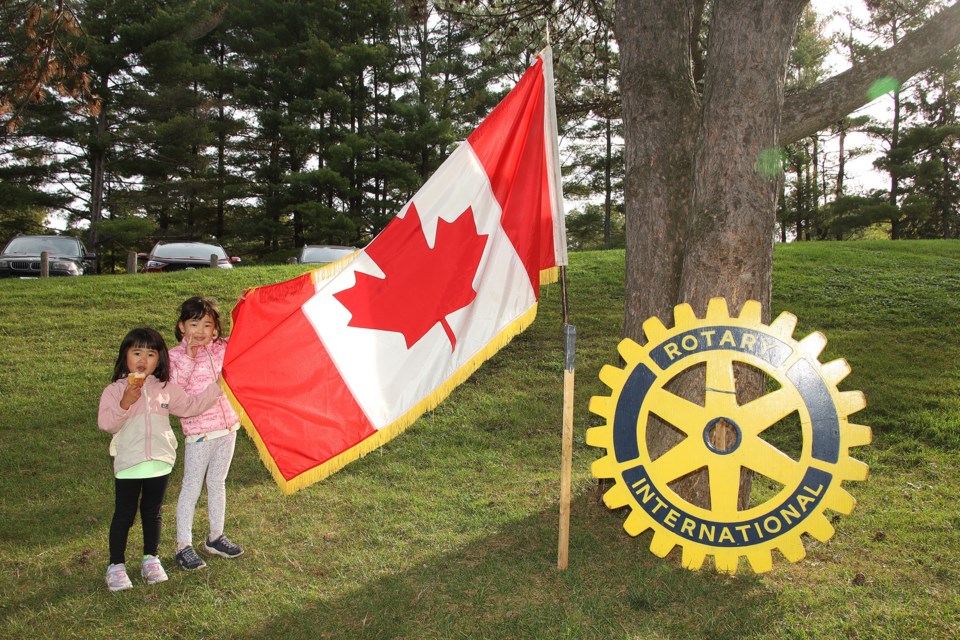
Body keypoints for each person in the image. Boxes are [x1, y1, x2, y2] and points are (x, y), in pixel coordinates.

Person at [98, 327, 224, 592]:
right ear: (125, 356)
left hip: (160, 463)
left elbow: (191, 405)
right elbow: (106, 424)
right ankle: (116, 565)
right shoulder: (114, 390)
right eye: (137, 352)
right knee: (124, 515)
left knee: (152, 513)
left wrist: (218, 387)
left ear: (160, 359)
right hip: (129, 466)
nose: (143, 359)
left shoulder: (165, 389)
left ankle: (150, 558)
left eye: (151, 353)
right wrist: (125, 402)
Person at [169, 296, 244, 571]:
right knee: (191, 486)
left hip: (228, 428)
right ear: (181, 327)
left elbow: (245, 341)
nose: (200, 331)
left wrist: (245, 307)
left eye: (207, 325)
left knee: (217, 482)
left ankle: (215, 536)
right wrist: (189, 357)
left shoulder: (222, 348)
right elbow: (175, 391)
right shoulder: (174, 357)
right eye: (193, 323)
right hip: (199, 433)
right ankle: (183, 545)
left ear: (215, 329)